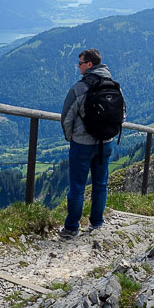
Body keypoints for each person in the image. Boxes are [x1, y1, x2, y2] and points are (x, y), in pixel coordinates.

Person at [59, 48, 116, 239]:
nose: (78, 67)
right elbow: (121, 114)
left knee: (77, 186)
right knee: (100, 184)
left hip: (82, 145)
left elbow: (66, 118)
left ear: (89, 64)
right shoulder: (113, 85)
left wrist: (72, 138)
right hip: (106, 143)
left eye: (80, 63)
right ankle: (96, 224)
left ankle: (71, 228)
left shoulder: (79, 88)